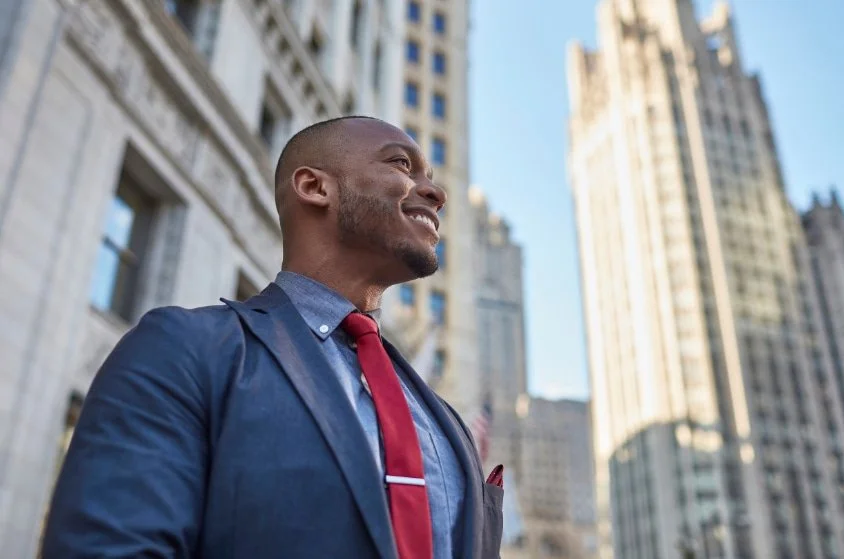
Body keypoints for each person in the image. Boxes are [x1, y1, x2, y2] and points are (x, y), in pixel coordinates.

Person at [42, 116, 504, 558]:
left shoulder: (444, 419)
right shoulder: (187, 349)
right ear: (314, 187)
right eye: (402, 165)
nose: (436, 193)